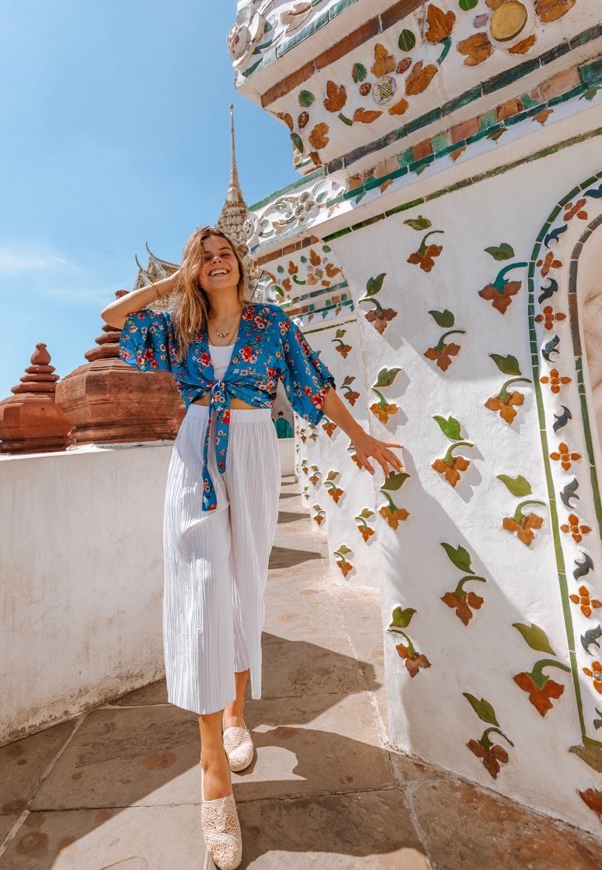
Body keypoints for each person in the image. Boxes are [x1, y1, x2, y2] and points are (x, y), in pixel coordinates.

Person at [101, 227, 401, 870]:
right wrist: (171, 283)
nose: (216, 262)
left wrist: (363, 440)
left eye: (224, 253)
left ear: (240, 263)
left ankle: (235, 712)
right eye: (203, 257)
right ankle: (213, 763)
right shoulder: (177, 326)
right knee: (203, 591)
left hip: (257, 447)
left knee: (244, 589)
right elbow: (112, 319)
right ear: (194, 270)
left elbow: (315, 386)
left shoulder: (273, 323)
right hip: (196, 456)